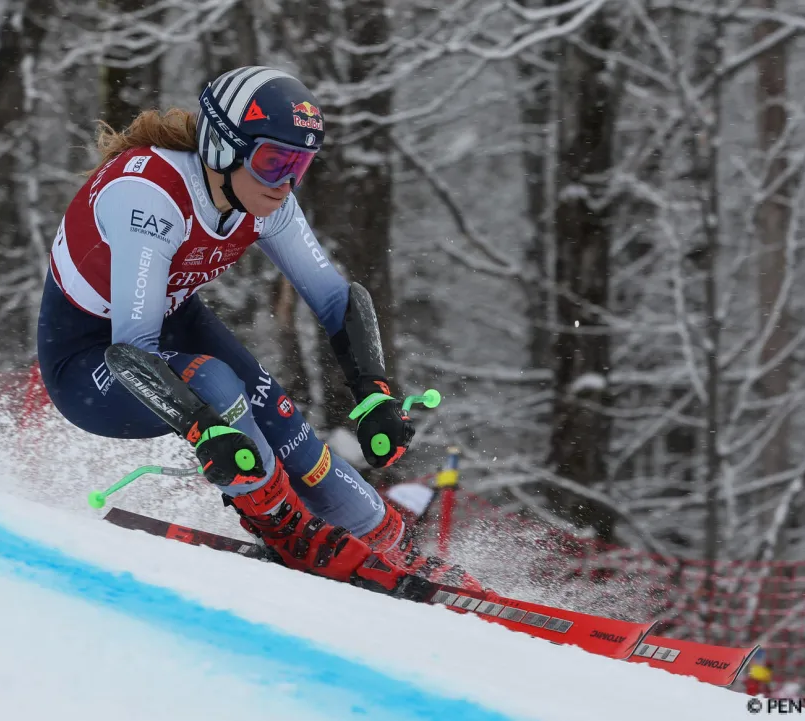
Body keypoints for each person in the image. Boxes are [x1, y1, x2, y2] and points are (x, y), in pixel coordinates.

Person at [37, 65, 483, 597]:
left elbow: (338, 299)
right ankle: (283, 525)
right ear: (223, 149)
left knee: (286, 424)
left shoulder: (265, 196)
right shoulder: (148, 197)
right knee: (219, 388)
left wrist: (373, 391)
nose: (287, 182)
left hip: (172, 328)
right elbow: (133, 348)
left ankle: (387, 541)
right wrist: (204, 429)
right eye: (275, 161)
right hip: (94, 360)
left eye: (301, 165)